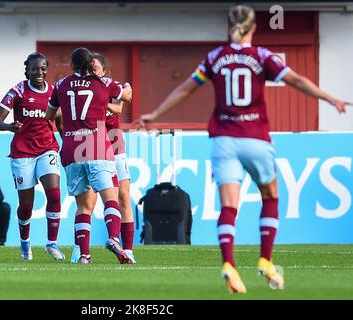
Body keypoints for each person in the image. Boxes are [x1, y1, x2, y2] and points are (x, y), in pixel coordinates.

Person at [139, 5, 347, 293]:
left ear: (228, 27)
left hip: (224, 139)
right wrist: (330, 98)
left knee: (229, 206)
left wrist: (156, 114)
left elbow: (186, 88)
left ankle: (228, 264)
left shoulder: (215, 58)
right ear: (254, 28)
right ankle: (265, 260)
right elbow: (296, 81)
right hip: (256, 139)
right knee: (270, 196)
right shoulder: (262, 57)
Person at [46, 47, 133, 264]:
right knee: (111, 198)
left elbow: (49, 115)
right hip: (95, 143)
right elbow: (127, 97)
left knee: (83, 206)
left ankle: (84, 254)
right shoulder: (103, 83)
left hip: (72, 147)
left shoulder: (60, 84)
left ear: (72, 65)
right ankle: (114, 238)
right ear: (90, 65)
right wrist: (127, 87)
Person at [0, 52, 65, 261]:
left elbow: (59, 122)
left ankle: (52, 243)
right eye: (34, 68)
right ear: (27, 70)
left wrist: (67, 142)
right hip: (23, 153)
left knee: (54, 194)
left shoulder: (53, 92)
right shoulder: (17, 91)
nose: (39, 72)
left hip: (47, 149)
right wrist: (8, 127)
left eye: (43, 68)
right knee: (26, 206)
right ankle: (25, 244)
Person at [69, 53, 136, 264]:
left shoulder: (108, 85)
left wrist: (101, 99)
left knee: (123, 195)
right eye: (91, 67)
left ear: (104, 70)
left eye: (96, 68)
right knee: (88, 200)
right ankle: (80, 249)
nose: (93, 70)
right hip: (90, 144)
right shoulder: (84, 87)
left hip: (113, 143)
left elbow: (120, 106)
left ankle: (128, 249)